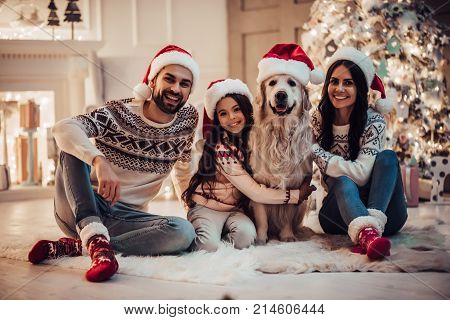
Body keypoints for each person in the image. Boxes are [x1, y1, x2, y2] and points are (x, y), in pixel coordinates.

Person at [28, 45, 200, 282]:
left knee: (183, 232)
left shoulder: (187, 120)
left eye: (184, 83)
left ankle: (86, 245)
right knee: (70, 149)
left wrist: (195, 213)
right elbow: (63, 127)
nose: (175, 88)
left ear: (190, 90)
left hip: (127, 220)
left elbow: (183, 170)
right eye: (169, 79)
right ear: (152, 82)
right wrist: (98, 160)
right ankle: (92, 234)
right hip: (81, 207)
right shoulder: (118, 112)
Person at [182, 79, 315, 252]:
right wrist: (296, 195)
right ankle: (204, 234)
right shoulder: (221, 149)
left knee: (246, 238)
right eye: (223, 114)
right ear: (217, 119)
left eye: (236, 110)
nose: (232, 118)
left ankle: (219, 235)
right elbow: (254, 191)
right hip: (207, 208)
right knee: (207, 245)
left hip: (235, 210)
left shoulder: (253, 138)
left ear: (246, 110)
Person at [310, 47, 408, 260]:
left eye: (348, 83)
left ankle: (370, 232)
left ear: (360, 87)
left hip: (385, 214)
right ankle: (368, 236)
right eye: (334, 81)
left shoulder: (374, 121)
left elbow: (362, 174)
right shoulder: (318, 119)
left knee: (388, 157)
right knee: (343, 182)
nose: (339, 88)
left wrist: (315, 150)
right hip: (337, 215)